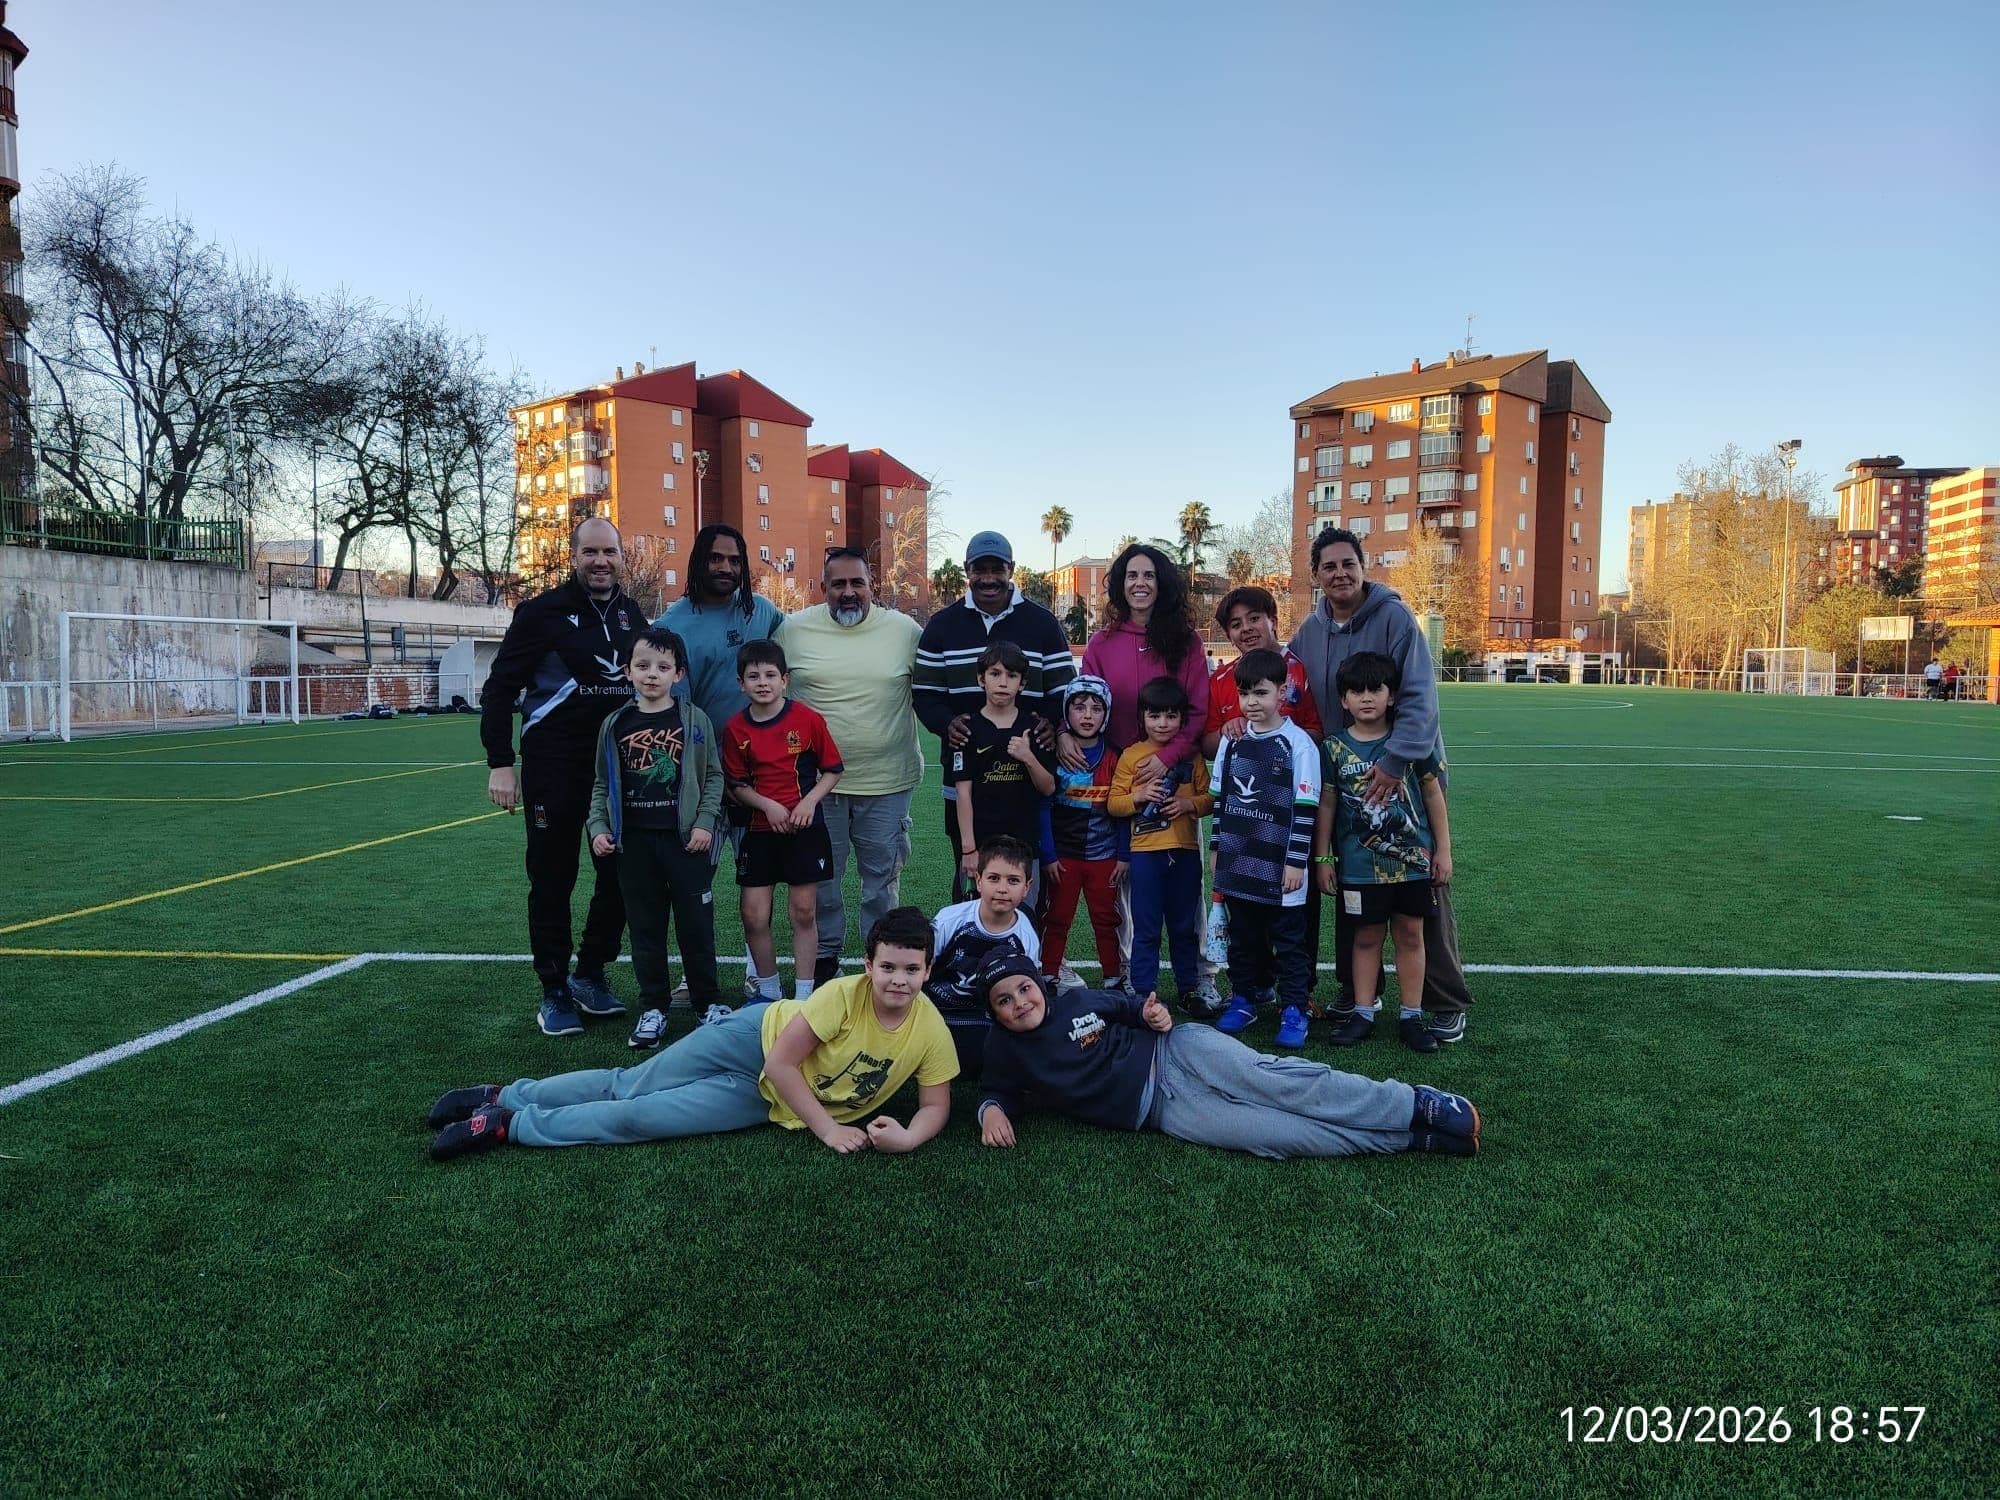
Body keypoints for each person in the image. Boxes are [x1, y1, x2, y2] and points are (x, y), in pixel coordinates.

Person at [425, 907, 957, 1159]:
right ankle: (505, 1094)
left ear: (928, 971)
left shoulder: (930, 1029)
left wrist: (909, 1137)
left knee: (639, 1118)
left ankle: (508, 1125)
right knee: (629, 1085)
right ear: (868, 964)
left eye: (912, 970)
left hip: (766, 1098)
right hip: (753, 1041)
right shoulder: (842, 994)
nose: (899, 979)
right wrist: (828, 1130)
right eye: (888, 967)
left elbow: (935, 1104)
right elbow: (781, 1062)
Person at [973, 954, 1481, 1160]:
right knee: (1276, 1136)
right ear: (995, 1014)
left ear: (1039, 985)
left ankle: (1412, 1103)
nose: (1020, 1003)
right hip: (1162, 1112)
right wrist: (991, 1110)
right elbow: (996, 1089)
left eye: (1024, 989)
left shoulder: (1078, 1001)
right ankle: (1406, 1138)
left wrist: (1154, 1014)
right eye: (1004, 1001)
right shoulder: (1006, 1049)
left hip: (1179, 1052)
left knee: (1277, 1081)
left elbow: (1134, 1008)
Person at [1290, 526, 1473, 1046]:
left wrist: (1394, 763)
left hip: (1405, 774)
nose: (1340, 574)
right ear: (1316, 575)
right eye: (1329, 566)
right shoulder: (1308, 632)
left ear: (1363, 566)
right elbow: (1292, 695)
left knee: (1423, 895)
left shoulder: (1394, 618)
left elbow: (1420, 698)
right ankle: (1359, 996)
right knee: (1355, 884)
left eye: (1348, 563)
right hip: (1343, 777)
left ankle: (1441, 1000)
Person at [480, 517, 642, 1037]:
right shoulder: (540, 612)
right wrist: (500, 762)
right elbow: (499, 688)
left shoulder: (632, 615)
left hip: (616, 772)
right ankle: (553, 987)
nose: (600, 561)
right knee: (553, 877)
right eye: (590, 552)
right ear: (573, 557)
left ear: (622, 558)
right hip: (554, 767)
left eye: (609, 552)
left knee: (620, 875)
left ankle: (590, 973)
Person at [780, 547, 924, 984]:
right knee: (823, 879)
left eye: (857, 583)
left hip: (887, 782)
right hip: (817, 787)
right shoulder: (792, 630)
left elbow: (936, 691)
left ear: (871, 586)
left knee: (881, 880)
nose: (848, 592)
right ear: (823, 587)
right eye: (838, 584)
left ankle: (880, 958)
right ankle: (825, 955)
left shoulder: (904, 632)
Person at [660, 522, 786, 1000]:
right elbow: (674, 713)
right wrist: (703, 776)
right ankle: (695, 976)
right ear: (698, 560)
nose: (726, 568)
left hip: (763, 778)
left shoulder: (762, 611)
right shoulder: (673, 624)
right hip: (704, 779)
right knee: (694, 882)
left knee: (759, 883)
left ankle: (759, 972)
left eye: (735, 560)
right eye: (716, 558)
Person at [585, 628, 725, 1050]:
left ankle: (706, 1004)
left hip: (686, 843)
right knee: (646, 929)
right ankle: (654, 1008)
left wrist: (704, 822)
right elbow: (601, 783)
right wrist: (599, 827)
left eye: (663, 667)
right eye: (643, 666)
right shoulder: (614, 724)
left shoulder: (695, 720)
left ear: (678, 674)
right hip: (634, 846)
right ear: (627, 671)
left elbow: (713, 776)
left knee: (696, 927)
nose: (652, 674)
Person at [914, 530, 1075, 884]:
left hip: (1026, 780)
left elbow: (1064, 689)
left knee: (1025, 881)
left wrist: (1051, 723)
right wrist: (947, 723)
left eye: (997, 569)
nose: (988, 578)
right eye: (980, 569)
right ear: (967, 570)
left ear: (1011, 569)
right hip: (967, 778)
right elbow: (924, 693)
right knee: (971, 874)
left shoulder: (1042, 623)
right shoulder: (942, 625)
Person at [1313, 651, 1453, 1055]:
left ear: (1392, 696)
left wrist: (1443, 850)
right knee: (1365, 937)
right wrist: (1323, 858)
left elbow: (1433, 794)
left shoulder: (1409, 742)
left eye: (1375, 689)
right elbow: (1327, 805)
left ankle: (1411, 1016)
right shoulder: (1334, 748)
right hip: (1359, 867)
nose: (1366, 698)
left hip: (1412, 864)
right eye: (1356, 691)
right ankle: (1362, 1012)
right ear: (1343, 700)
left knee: (1410, 934)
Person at [1200, 585, 1327, 998]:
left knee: (1295, 905)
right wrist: (1228, 730)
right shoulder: (1222, 680)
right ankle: (1253, 986)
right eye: (1236, 624)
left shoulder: (1300, 672)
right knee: (1246, 909)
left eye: (1254, 618)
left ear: (1272, 619)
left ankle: (1300, 993)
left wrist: (1276, 739)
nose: (1247, 629)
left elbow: (1315, 732)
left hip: (1288, 813)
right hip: (1244, 817)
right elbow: (1208, 743)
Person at [1208, 649, 1323, 1048]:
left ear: (1283, 691)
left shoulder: (1299, 745)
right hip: (1238, 862)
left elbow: (1306, 809)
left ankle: (1294, 1009)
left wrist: (1296, 862)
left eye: (1261, 692)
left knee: (1289, 943)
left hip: (1281, 867)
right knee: (1243, 938)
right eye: (1245, 694)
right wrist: (1217, 847)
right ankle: (1243, 999)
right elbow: (1221, 801)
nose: (1252, 702)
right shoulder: (1232, 742)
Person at [721, 640, 843, 1004]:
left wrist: (808, 803)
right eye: (753, 676)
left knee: (803, 912)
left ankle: (804, 995)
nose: (763, 682)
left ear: (784, 680)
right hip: (760, 832)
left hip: (804, 830)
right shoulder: (735, 728)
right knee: (754, 915)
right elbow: (736, 784)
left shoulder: (807, 719)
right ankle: (769, 993)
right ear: (741, 683)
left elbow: (832, 770)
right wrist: (767, 807)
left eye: (770, 675)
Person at [1109, 676, 1216, 1012]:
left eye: (1171, 716)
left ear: (1182, 719)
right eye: (1154, 716)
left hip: (1184, 853)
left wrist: (1187, 805)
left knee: (1184, 926)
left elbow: (1210, 798)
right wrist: (1139, 796)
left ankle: (1189, 989)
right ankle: (1144, 991)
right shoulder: (1132, 755)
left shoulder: (1192, 757)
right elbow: (1114, 804)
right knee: (1147, 926)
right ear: (1142, 718)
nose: (1162, 723)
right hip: (1145, 855)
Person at [924, 835, 1042, 1075]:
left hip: (985, 1017)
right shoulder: (949, 919)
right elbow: (918, 968)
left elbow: (1027, 990)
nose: (1002, 889)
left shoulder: (1026, 936)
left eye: (1013, 880)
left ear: (1027, 887)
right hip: (934, 1011)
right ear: (978, 881)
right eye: (993, 878)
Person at [1041, 675, 1128, 996]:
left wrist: (1124, 855)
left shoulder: (1115, 757)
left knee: (1106, 919)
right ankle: (1048, 974)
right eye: (1079, 707)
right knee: (1057, 917)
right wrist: (1049, 855)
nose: (1088, 715)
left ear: (1107, 714)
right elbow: (1043, 808)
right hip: (1063, 858)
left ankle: (1113, 977)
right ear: (1067, 713)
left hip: (1104, 857)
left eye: (1096, 708)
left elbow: (1123, 812)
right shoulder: (1056, 756)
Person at [949, 641, 1059, 894]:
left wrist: (1028, 757)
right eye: (995, 674)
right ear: (981, 679)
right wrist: (968, 848)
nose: (1003, 683)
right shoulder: (966, 730)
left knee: (1024, 910)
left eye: (1011, 675)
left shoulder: (1035, 728)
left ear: (1022, 683)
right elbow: (963, 793)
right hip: (982, 845)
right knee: (980, 910)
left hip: (1025, 844)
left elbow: (1048, 788)